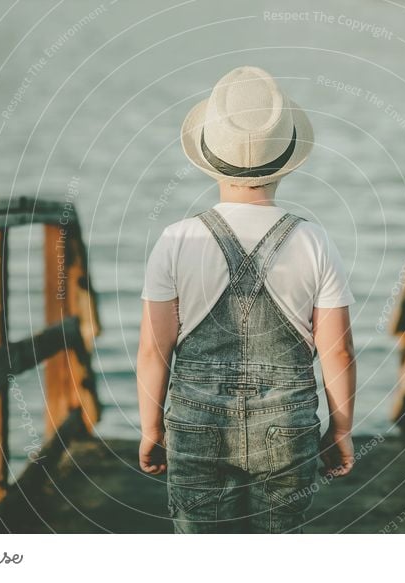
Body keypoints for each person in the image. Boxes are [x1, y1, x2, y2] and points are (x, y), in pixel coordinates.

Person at [136, 66, 356, 533]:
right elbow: (337, 350)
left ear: (208, 155)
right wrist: (340, 428)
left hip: (195, 422)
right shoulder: (314, 241)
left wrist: (153, 428)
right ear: (288, 157)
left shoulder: (176, 240)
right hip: (288, 425)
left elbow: (153, 351)